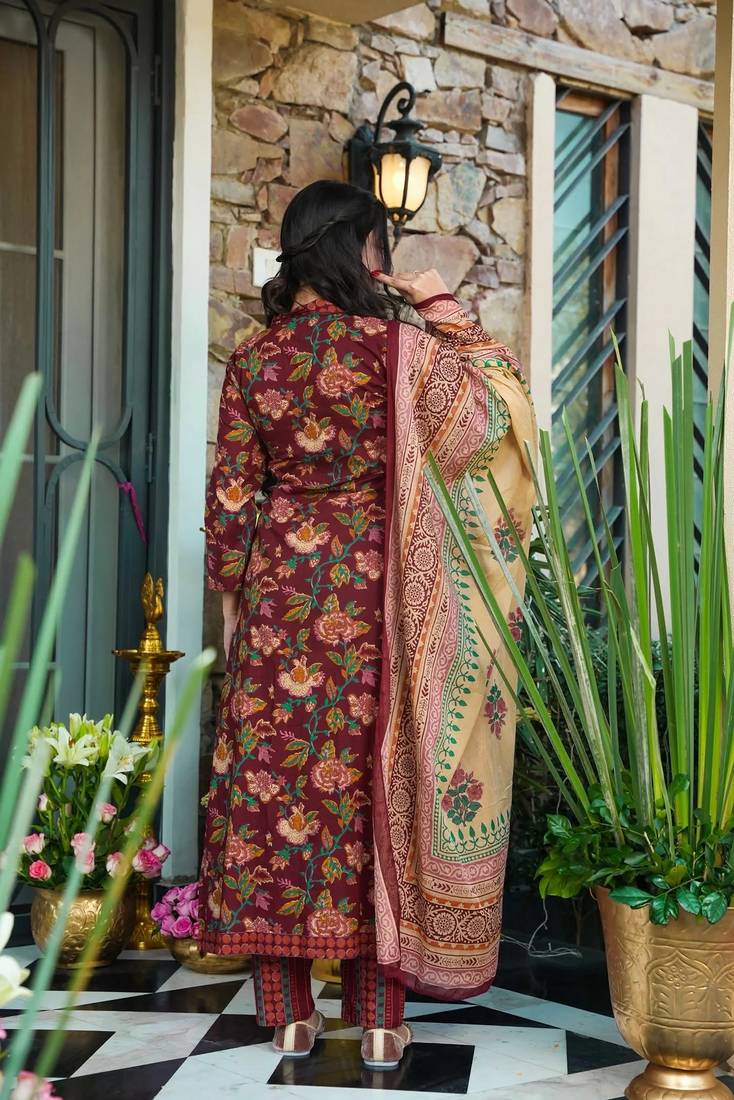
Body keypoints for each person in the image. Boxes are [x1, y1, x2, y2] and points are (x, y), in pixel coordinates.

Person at [197, 179, 536, 1070]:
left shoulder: (255, 359)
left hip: (279, 600)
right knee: (369, 796)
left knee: (275, 790)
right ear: (359, 250)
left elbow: (231, 502)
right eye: (382, 245)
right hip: (379, 601)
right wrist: (441, 303)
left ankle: (289, 1017)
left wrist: (234, 609)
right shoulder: (400, 351)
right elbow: (498, 416)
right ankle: (381, 1019)